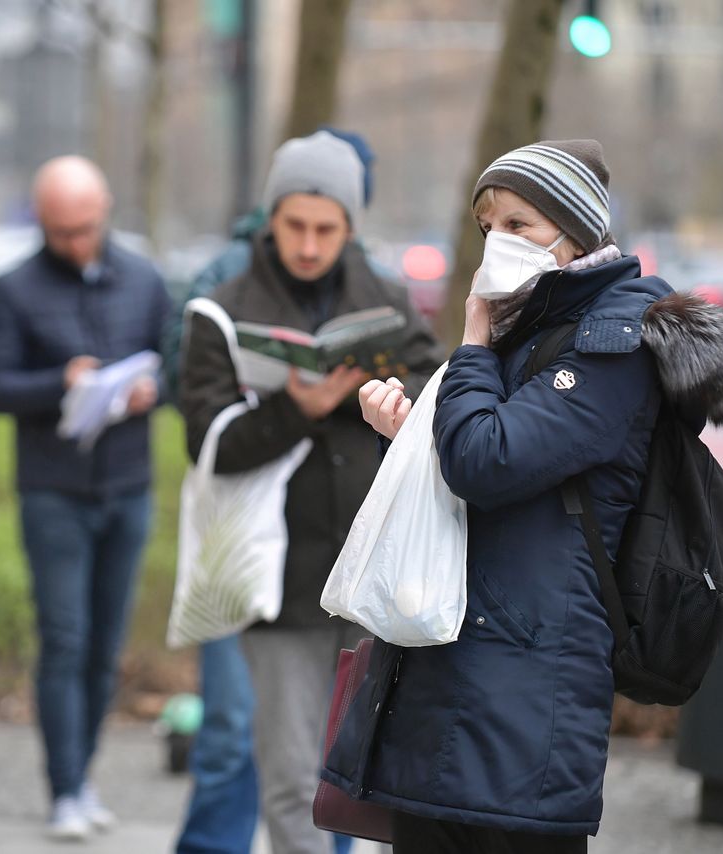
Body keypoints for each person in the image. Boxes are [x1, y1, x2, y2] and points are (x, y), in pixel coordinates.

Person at [353, 140, 723, 851]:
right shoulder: (530, 327)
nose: (496, 242)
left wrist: (473, 341)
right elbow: (474, 479)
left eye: (519, 225)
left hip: (524, 692)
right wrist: (405, 436)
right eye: (487, 226)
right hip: (468, 673)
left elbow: (487, 460)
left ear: (574, 236)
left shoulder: (611, 342)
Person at [179, 131, 442, 854]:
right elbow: (206, 445)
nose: (307, 243)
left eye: (326, 228)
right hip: (280, 575)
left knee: (366, 776)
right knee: (293, 775)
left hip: (373, 567)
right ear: (270, 218)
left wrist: (389, 399)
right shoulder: (223, 309)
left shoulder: (386, 302)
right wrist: (299, 407)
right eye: (293, 224)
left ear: (350, 227)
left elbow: (438, 397)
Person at [0, 156, 171, 841]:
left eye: (85, 228)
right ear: (42, 222)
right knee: (63, 640)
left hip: (128, 485)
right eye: (61, 232)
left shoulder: (144, 279)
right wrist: (61, 382)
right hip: (54, 489)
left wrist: (150, 390)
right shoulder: (13, 289)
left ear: (106, 209)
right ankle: (62, 787)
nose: (76, 243)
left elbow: (175, 363)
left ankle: (85, 775)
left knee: (104, 645)